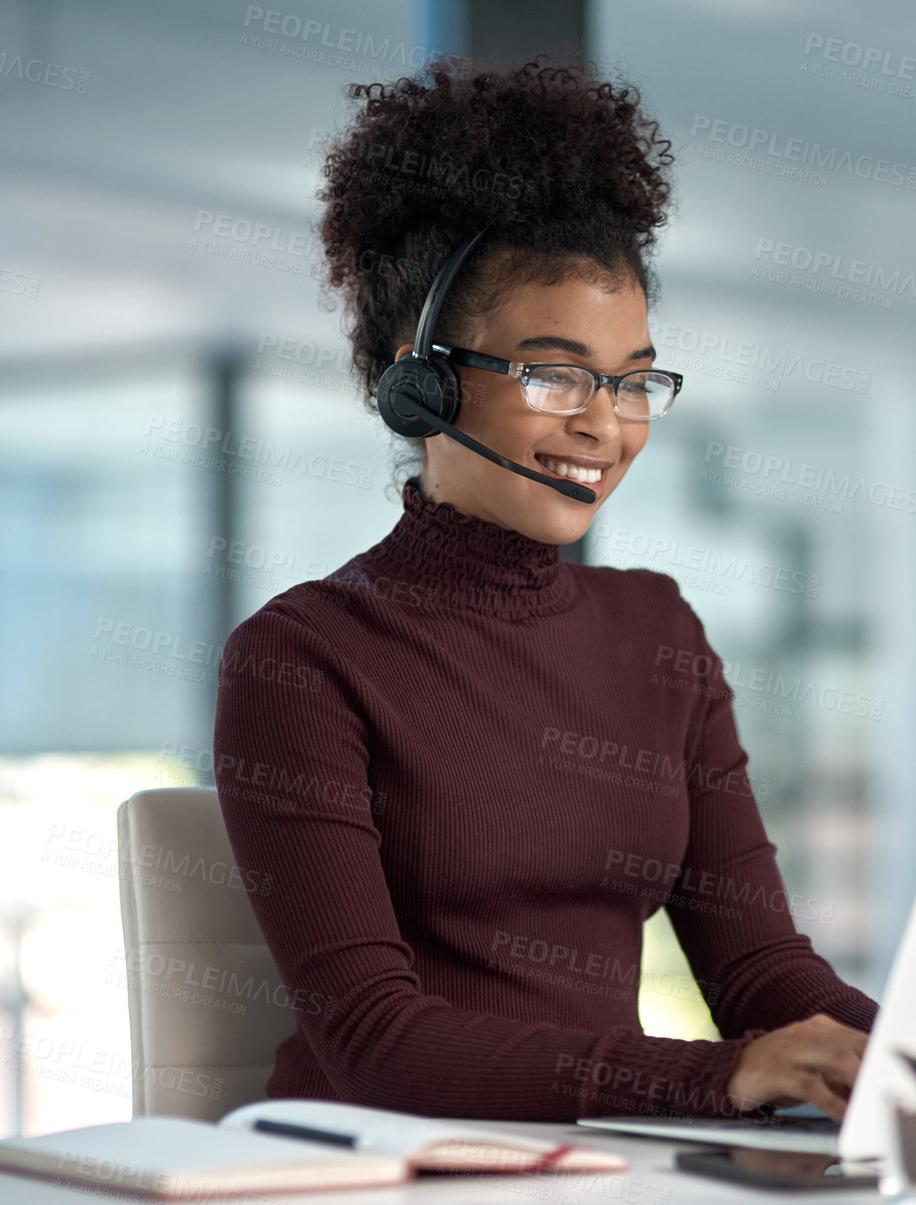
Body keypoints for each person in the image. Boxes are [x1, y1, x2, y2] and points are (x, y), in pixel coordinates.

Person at [212, 54, 874, 1123]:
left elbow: (763, 976)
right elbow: (379, 1044)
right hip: (382, 1170)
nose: (604, 424)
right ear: (416, 378)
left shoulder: (655, 630)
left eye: (632, 380)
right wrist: (711, 1078)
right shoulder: (303, 655)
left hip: (597, 1163)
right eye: (555, 374)